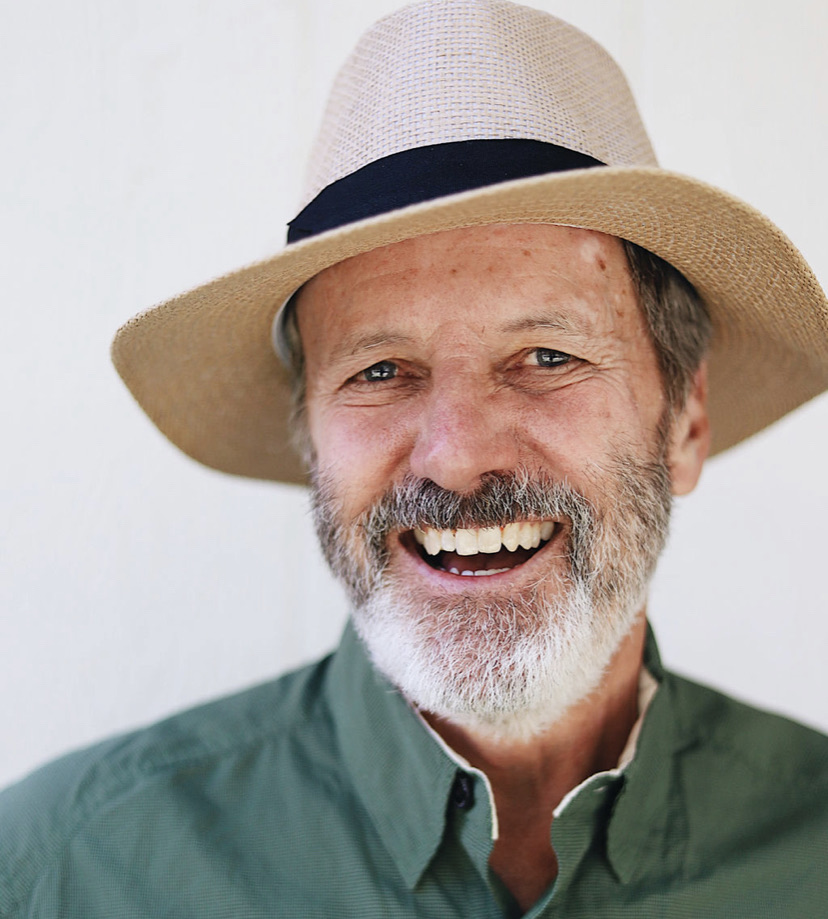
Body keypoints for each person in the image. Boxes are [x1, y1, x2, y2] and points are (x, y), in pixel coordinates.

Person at [2, 1, 827, 916]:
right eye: (381, 370)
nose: (459, 458)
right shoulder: (63, 874)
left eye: (546, 356)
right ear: (310, 436)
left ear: (685, 422)